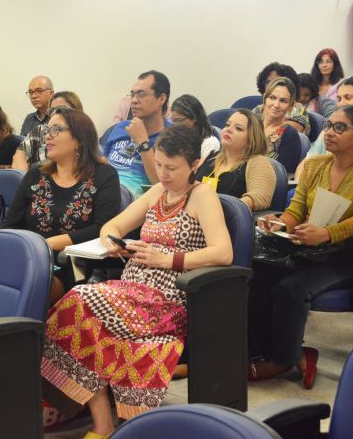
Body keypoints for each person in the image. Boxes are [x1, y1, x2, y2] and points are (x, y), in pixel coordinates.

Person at [41, 125, 233, 438]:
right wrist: (113, 241)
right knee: (79, 313)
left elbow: (224, 253)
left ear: (194, 165)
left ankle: (102, 423)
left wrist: (168, 259)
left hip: (168, 299)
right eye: (159, 165)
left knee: (79, 301)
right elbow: (113, 224)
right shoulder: (159, 191)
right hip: (132, 291)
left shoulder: (202, 196)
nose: (163, 173)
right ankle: (102, 422)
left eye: (171, 168)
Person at [250, 105, 353, 389]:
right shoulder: (317, 166)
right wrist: (280, 223)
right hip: (309, 247)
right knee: (257, 273)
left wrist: (327, 234)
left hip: (349, 255)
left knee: (292, 288)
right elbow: (295, 211)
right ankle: (281, 352)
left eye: (340, 127)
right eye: (329, 125)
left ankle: (281, 360)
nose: (329, 132)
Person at [3, 107, 120, 304]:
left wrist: (45, 245)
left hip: (72, 264)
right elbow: (10, 224)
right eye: (47, 130)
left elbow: (102, 229)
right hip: (27, 256)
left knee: (24, 284)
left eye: (56, 129)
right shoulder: (35, 174)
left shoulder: (104, 175)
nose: (48, 136)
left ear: (79, 138)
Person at [102, 70, 170, 198]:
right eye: (132, 95)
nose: (134, 101)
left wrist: (142, 141)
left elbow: (162, 184)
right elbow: (102, 166)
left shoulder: (172, 136)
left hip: (137, 203)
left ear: (161, 98)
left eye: (141, 95)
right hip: (104, 192)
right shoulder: (121, 128)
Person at [196, 109, 276, 211]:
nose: (228, 129)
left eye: (238, 128)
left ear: (252, 138)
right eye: (227, 125)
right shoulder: (211, 157)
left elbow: (260, 197)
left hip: (228, 221)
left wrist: (223, 209)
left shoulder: (257, 162)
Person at [295, 76, 353, 180]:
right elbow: (305, 165)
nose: (342, 104)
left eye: (348, 98)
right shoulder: (328, 131)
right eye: (339, 99)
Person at [12, 91, 83, 171]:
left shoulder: (83, 132)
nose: (55, 113)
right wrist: (24, 178)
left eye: (61, 109)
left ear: (76, 110)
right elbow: (19, 155)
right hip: (38, 178)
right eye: (52, 109)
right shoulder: (41, 130)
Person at [258, 77, 302, 173]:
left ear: (290, 107)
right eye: (272, 98)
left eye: (283, 101)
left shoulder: (289, 135)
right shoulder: (251, 126)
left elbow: (283, 175)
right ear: (264, 99)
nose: (276, 104)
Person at [254, 62, 310, 135]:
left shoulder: (299, 109)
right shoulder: (258, 109)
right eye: (268, 82)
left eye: (277, 82)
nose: (272, 85)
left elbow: (282, 135)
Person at [170, 94, 219, 164]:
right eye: (173, 120)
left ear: (194, 118)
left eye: (179, 120)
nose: (175, 125)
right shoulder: (176, 139)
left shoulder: (210, 143)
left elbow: (202, 172)